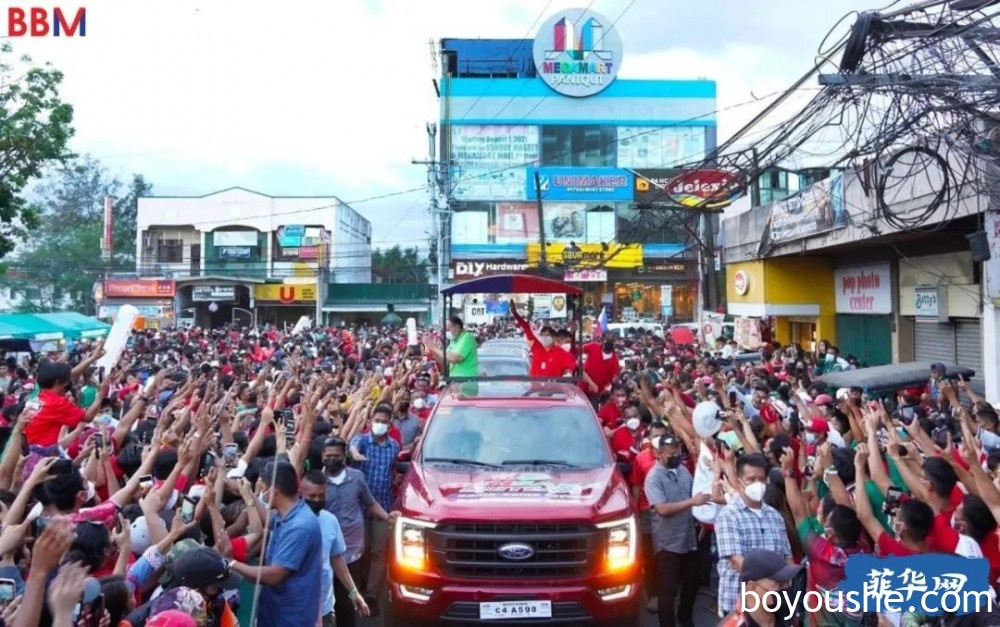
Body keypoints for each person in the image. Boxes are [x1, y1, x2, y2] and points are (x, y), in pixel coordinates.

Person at [229, 460, 323, 627]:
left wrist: (230, 563)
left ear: (274, 491)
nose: (262, 492)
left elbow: (274, 576)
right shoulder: (289, 513)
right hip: (276, 610)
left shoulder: (300, 526)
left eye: (263, 487)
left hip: (291, 617)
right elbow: (270, 520)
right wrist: (250, 495)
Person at [645, 431, 711, 627]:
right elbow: (662, 508)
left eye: (677, 453)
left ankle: (685, 616)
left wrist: (700, 521)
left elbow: (695, 496)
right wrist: (692, 502)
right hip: (667, 541)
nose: (675, 457)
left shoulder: (683, 471)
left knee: (692, 580)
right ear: (659, 454)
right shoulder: (653, 478)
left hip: (688, 537)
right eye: (670, 454)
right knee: (668, 589)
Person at [715, 454, 793, 616]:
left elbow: (787, 557)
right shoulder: (729, 516)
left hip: (773, 603)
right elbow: (736, 561)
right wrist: (772, 580)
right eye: (751, 479)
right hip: (739, 603)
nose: (757, 484)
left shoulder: (774, 516)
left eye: (761, 479)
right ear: (738, 482)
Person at [301, 470, 370, 627]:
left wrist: (353, 592)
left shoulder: (330, 521)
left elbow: (336, 558)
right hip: (297, 611)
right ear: (301, 493)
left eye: (321, 496)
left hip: (325, 609)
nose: (317, 500)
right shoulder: (289, 522)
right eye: (312, 496)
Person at [348, 403, 401, 609]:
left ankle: (372, 594)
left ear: (390, 424)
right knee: (362, 549)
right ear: (371, 421)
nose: (379, 424)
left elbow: (394, 470)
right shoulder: (361, 441)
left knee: (380, 551)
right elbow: (352, 447)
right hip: (360, 507)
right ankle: (357, 588)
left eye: (384, 422)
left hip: (383, 506)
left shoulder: (394, 447)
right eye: (376, 421)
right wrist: (355, 454)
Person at [719, 549, 803, 627]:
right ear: (753, 588)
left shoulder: (791, 617)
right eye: (779, 585)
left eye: (788, 583)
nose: (787, 590)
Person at [509, 300, 580, 379]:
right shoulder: (536, 347)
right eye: (543, 336)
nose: (545, 338)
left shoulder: (561, 353)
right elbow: (526, 327)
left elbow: (574, 368)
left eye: (548, 336)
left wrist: (568, 373)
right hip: (535, 389)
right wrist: (515, 314)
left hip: (553, 389)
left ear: (554, 338)